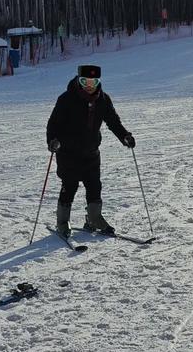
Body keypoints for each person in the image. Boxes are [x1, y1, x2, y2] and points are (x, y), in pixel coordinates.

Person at [46, 64, 135, 238]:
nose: (89, 85)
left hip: (91, 153)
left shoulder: (103, 100)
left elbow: (113, 122)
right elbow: (53, 124)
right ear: (79, 80)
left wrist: (125, 136)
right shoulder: (66, 99)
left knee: (94, 186)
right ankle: (63, 222)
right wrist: (52, 141)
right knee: (69, 186)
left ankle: (94, 218)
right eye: (85, 81)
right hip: (68, 154)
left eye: (93, 82)